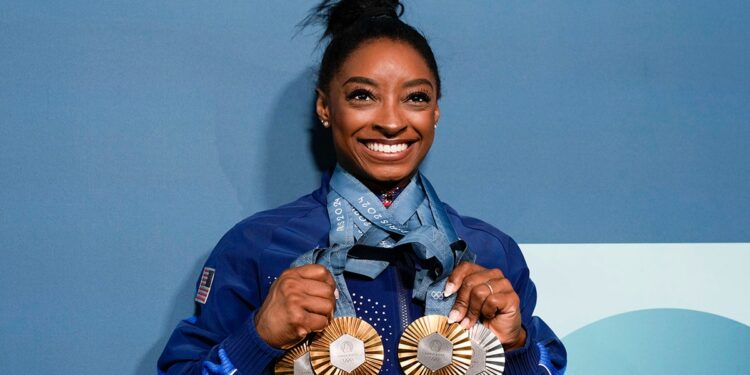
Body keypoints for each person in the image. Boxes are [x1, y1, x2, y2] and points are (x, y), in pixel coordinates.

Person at [158, 1, 567, 374]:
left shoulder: (490, 251)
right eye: (362, 96)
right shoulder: (257, 246)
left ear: (436, 109)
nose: (391, 122)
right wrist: (257, 339)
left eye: (416, 98)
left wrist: (516, 347)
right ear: (324, 107)